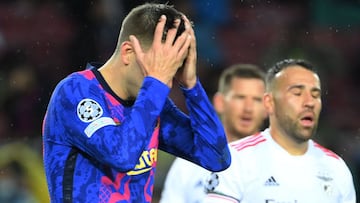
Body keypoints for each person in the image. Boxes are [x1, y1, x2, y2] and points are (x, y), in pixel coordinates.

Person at [42, 3, 231, 203]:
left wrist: (191, 86)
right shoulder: (75, 92)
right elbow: (121, 156)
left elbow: (216, 157)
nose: (165, 81)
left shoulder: (150, 101)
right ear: (128, 52)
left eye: (171, 68)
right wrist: (155, 84)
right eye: (159, 66)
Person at [203, 58, 356, 203]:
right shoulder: (234, 160)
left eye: (315, 95)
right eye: (297, 93)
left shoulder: (336, 168)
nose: (309, 102)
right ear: (269, 103)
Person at [160, 64, 268, 203]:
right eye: (240, 97)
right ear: (220, 102)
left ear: (267, 107)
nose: (248, 108)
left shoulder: (278, 160)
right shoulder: (188, 162)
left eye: (257, 100)